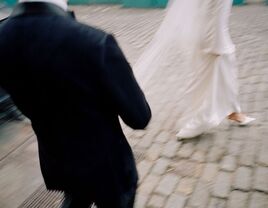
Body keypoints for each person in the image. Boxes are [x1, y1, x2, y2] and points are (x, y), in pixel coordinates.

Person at [0, 0, 151, 207]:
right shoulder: (94, 42)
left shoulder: (3, 38)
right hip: (108, 170)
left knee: (74, 198)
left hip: (58, 162)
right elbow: (139, 117)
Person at [134, 0, 254, 139]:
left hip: (201, 34)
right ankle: (197, 121)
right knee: (203, 80)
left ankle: (233, 111)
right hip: (211, 39)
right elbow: (217, 14)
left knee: (222, 74)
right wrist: (217, 45)